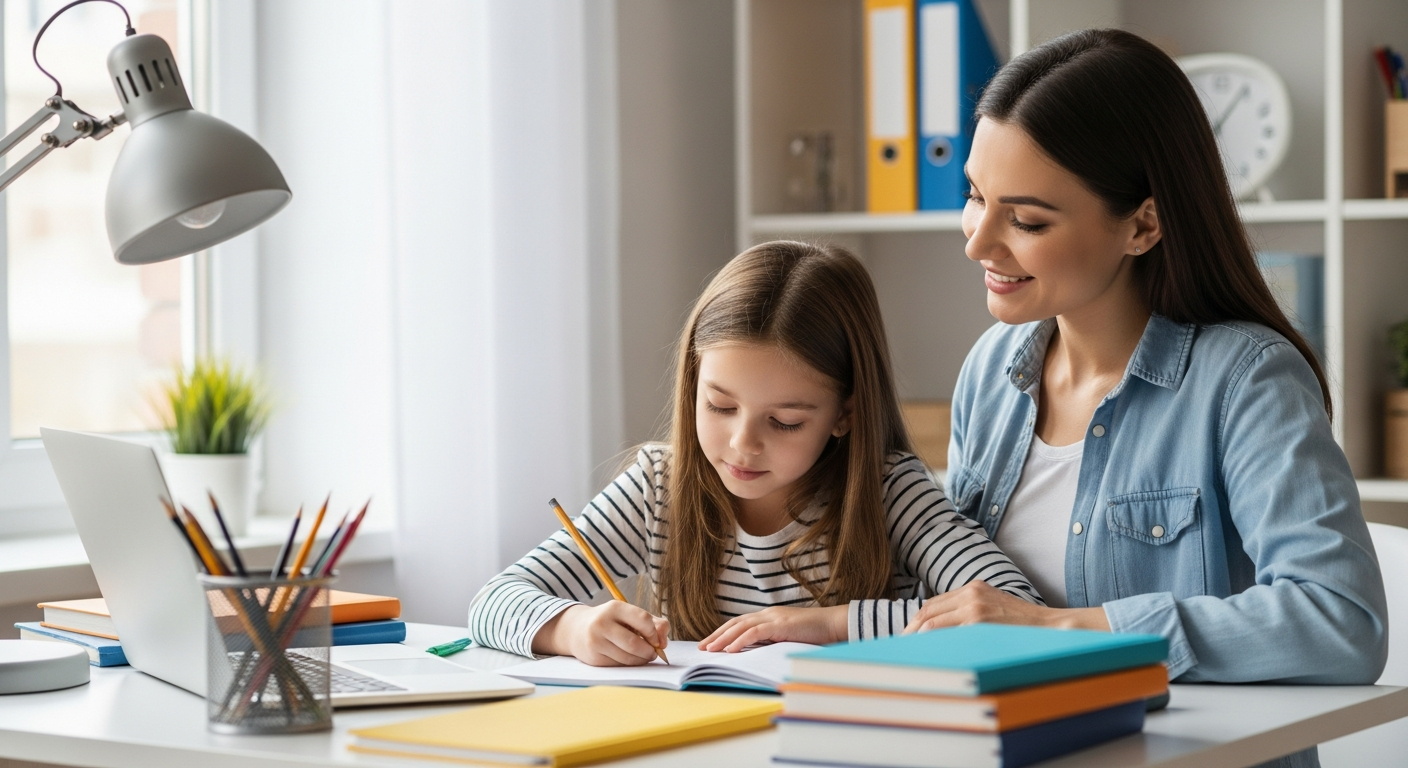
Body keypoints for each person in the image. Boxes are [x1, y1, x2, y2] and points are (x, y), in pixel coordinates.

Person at [902, 29, 1386, 768]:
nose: (977, 243)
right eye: (975, 196)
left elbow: (1341, 621)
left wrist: (1069, 629)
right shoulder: (991, 373)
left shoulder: (1248, 380)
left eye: (1026, 220)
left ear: (1142, 224)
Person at [467, 241, 1041, 665]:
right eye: (719, 406)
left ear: (845, 413)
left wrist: (828, 625)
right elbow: (493, 602)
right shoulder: (659, 485)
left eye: (786, 421)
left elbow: (1009, 610)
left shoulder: (888, 490)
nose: (743, 444)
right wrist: (574, 628)